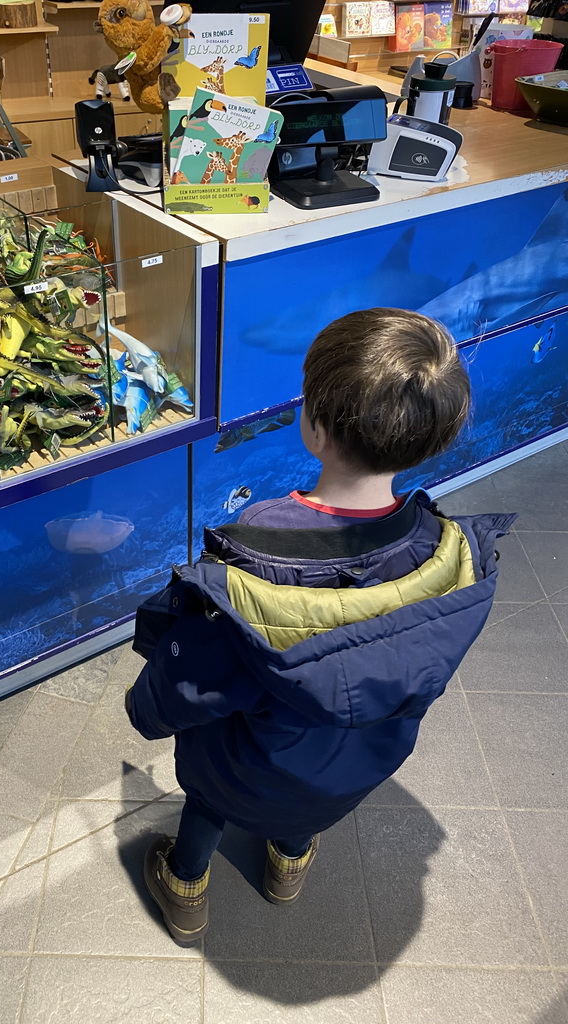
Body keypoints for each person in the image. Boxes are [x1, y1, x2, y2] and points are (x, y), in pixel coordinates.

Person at [125, 308, 515, 947]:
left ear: (313, 425)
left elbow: (198, 678)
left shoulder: (256, 558)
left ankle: (184, 889)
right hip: (348, 769)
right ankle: (288, 867)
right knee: (304, 799)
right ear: (436, 438)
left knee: (209, 802)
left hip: (244, 767)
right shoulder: (452, 554)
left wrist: (145, 708)